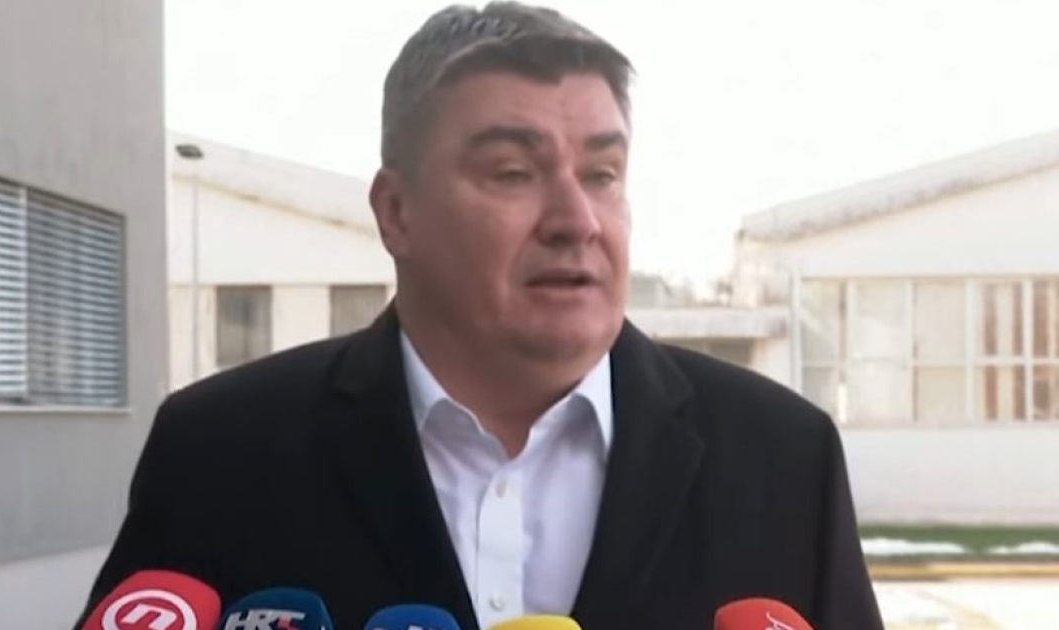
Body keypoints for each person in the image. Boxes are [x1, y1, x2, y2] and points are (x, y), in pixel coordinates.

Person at [76, 2, 884, 629]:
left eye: (602, 174)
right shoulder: (218, 451)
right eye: (512, 172)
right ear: (397, 213)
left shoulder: (784, 457)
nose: (577, 220)